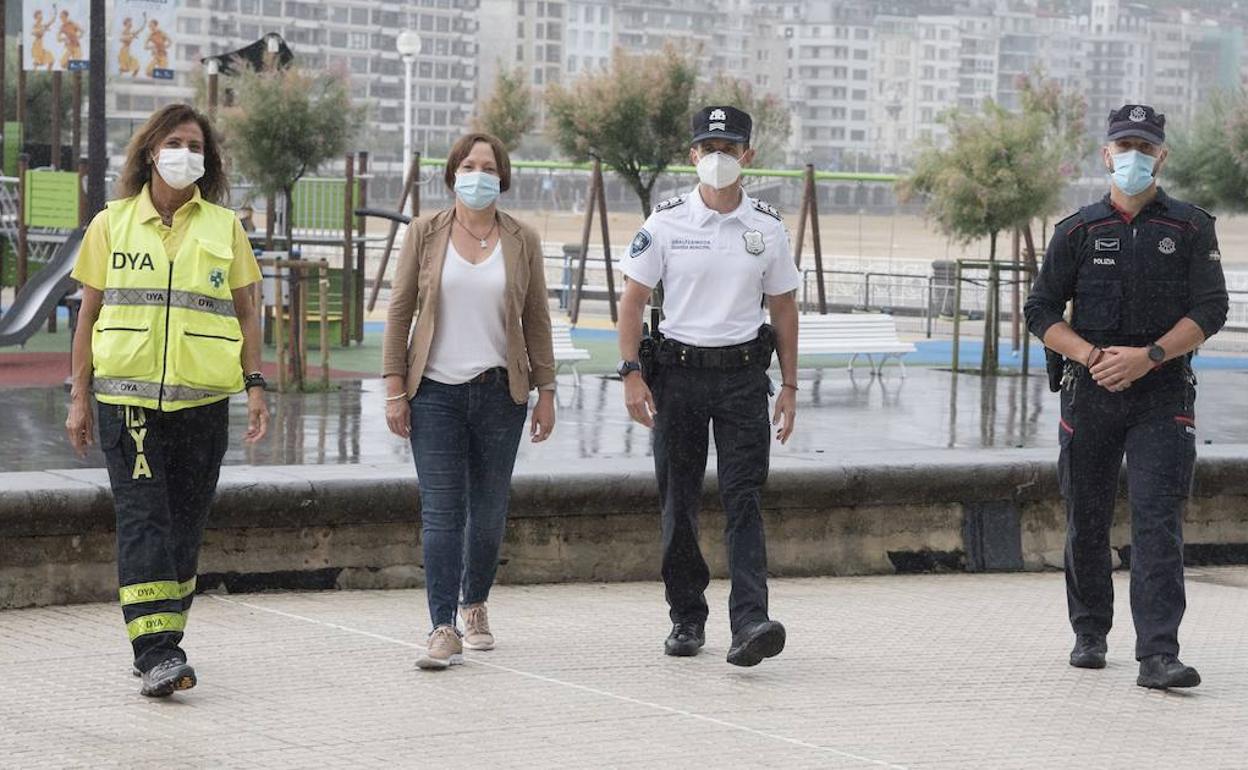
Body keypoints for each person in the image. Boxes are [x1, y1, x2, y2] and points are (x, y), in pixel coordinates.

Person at [64, 103, 270, 697]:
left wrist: (254, 386)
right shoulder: (113, 223)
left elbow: (248, 310)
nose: (187, 154)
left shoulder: (224, 227)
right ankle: (156, 650)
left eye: (197, 146)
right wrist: (79, 397)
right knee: (143, 518)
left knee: (184, 525)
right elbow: (89, 316)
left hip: (203, 402)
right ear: (152, 151)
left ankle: (159, 639)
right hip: (125, 399)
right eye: (176, 142)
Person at [1024, 104, 1228, 690]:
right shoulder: (1077, 230)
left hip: (1162, 393)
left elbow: (1210, 309)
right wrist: (1090, 356)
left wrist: (1150, 356)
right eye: (1124, 145)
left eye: (1145, 146)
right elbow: (1040, 310)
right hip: (1090, 391)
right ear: (1105, 154)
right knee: (1085, 519)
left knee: (1157, 521)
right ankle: (1090, 632)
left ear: (1161, 155)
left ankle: (1158, 654)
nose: (1133, 156)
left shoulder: (1191, 226)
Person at [618, 106, 801, 667]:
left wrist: (790, 383)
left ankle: (750, 622)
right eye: (708, 146)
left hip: (744, 377)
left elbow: (785, 307)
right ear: (692, 154)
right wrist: (630, 373)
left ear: (747, 155)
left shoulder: (766, 226)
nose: (718, 157)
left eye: (729, 146)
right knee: (680, 501)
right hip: (677, 376)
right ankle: (686, 616)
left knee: (744, 499)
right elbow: (630, 302)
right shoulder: (666, 222)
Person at [382, 132, 557, 671]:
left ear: (501, 177)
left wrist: (546, 389)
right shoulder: (424, 232)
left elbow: (536, 317)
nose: (477, 174)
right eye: (468, 164)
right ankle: (442, 625)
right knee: (441, 511)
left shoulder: (521, 237)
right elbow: (399, 309)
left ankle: (474, 602)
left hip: (501, 392)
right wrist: (394, 387)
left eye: (488, 166)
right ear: (453, 172)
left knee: (489, 511)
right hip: (433, 391)